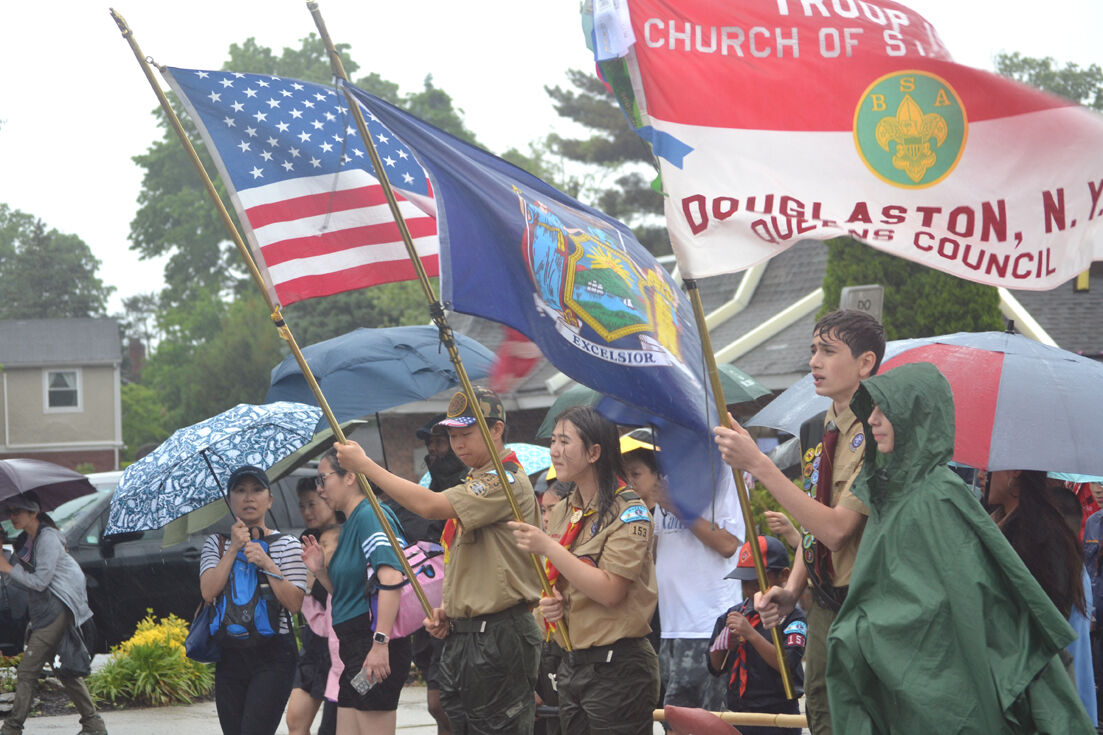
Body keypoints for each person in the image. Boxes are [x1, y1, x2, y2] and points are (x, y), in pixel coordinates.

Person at [825, 362, 1093, 733]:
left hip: (945, 694)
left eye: (885, 410)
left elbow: (966, 600)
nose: (871, 420)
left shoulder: (937, 496)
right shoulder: (895, 499)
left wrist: (859, 631)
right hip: (908, 693)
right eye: (871, 409)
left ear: (917, 415)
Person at [714, 309, 884, 735]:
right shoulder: (815, 431)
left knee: (868, 718)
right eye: (812, 350)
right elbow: (813, 522)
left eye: (828, 351)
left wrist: (760, 464)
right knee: (822, 717)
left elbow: (837, 529)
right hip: (824, 602)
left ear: (865, 363)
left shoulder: (880, 430)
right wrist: (792, 590)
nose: (814, 361)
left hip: (869, 603)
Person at [335, 386, 542, 734]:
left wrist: (366, 466)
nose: (458, 443)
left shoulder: (502, 482)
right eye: (453, 435)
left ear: (496, 430)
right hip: (469, 633)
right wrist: (454, 607)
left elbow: (431, 506)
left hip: (500, 633)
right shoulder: (473, 481)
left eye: (467, 433)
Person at [510, 406, 660, 735]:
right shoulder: (565, 508)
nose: (554, 451)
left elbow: (610, 591)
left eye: (565, 441)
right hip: (573, 663)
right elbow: (567, 581)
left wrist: (549, 547)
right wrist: (553, 604)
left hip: (618, 667)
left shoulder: (629, 511)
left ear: (594, 452)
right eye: (553, 441)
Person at [620, 433, 741, 713]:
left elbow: (728, 544)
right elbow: (658, 551)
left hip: (707, 626)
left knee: (710, 721)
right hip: (672, 628)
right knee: (674, 719)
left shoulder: (721, 477)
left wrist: (676, 505)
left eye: (636, 473)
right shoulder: (668, 485)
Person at [304, 447, 412, 735]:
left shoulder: (370, 515)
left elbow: (391, 575)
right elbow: (346, 592)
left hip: (370, 648)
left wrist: (380, 644)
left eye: (323, 478)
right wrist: (320, 571)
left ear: (350, 476)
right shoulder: (352, 522)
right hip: (355, 652)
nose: (319, 488)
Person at [199, 466, 306, 735]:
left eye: (257, 490)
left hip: (274, 654)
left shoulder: (288, 544)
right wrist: (234, 548)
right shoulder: (217, 543)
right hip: (230, 651)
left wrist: (266, 562)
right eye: (241, 490)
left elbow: (295, 604)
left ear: (269, 500)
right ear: (230, 498)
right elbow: (208, 592)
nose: (249, 497)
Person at [986, 468, 1095, 723]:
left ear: (1015, 472)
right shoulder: (997, 527)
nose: (983, 473)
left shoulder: (1040, 540)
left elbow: (1044, 625)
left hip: (1029, 695)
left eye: (993, 467)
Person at [0, 492, 106, 735]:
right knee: (64, 671)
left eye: (18, 511)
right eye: (10, 512)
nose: (12, 516)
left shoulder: (47, 539)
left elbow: (39, 582)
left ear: (33, 512)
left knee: (27, 671)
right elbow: (21, 580)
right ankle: (94, 725)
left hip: (57, 609)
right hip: (43, 611)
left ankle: (11, 727)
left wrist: (7, 567)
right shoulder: (27, 539)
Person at [707, 536, 805, 735]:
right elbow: (715, 667)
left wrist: (751, 634)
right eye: (745, 581)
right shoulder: (732, 615)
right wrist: (725, 645)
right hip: (738, 715)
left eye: (758, 580)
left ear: (783, 575)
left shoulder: (791, 617)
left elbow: (786, 665)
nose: (751, 588)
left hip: (777, 718)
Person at [407, 414, 467, 735]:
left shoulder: (468, 487)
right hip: (429, 610)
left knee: (444, 702)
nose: (433, 449)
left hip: (461, 609)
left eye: (440, 442)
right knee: (438, 705)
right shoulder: (427, 487)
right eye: (430, 443)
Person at [286, 481, 340, 735]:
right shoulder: (305, 540)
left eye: (312, 504)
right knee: (295, 721)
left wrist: (316, 577)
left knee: (331, 728)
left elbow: (340, 590)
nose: (307, 512)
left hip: (340, 645)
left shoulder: (344, 536)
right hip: (314, 641)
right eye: (302, 506)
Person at [299, 525, 345, 734]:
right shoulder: (331, 589)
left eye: (325, 545)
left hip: (354, 674)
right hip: (337, 680)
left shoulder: (350, 582)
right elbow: (324, 626)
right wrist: (307, 592)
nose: (320, 549)